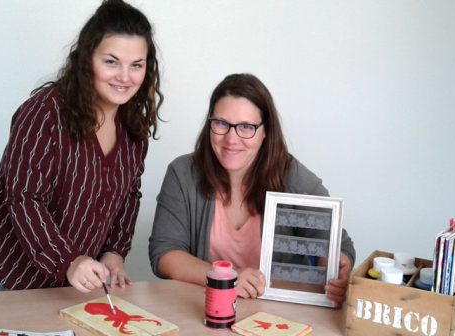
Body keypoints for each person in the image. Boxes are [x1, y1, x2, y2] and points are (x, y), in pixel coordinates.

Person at [0, 0, 163, 294]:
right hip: (1, 271)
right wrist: (68, 260)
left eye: (136, 65)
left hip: (64, 279)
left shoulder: (133, 128)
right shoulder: (45, 112)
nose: (124, 76)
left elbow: (129, 195)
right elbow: (24, 197)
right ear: (87, 59)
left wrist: (115, 252)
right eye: (111, 61)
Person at [148, 73, 355, 307]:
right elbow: (164, 254)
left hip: (280, 314)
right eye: (221, 124)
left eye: (246, 127)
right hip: (205, 309)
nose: (231, 138)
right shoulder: (183, 173)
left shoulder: (292, 176)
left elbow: (339, 245)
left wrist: (337, 266)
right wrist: (228, 276)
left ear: (265, 131)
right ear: (209, 124)